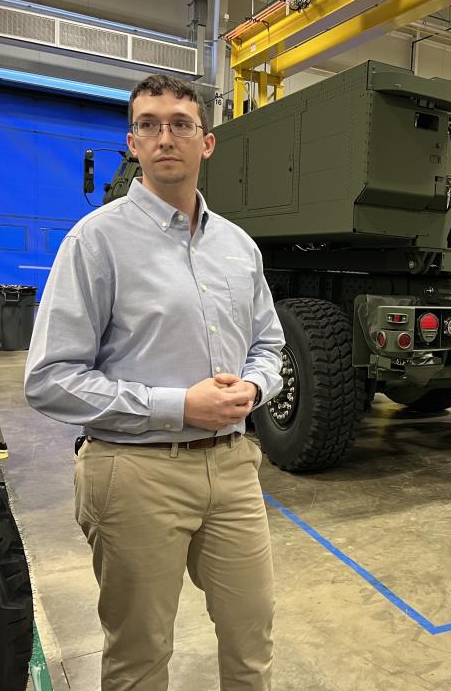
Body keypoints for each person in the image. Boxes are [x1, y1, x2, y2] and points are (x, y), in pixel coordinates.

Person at [24, 74, 285, 691]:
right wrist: (179, 405)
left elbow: (270, 344)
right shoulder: (97, 241)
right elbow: (49, 379)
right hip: (133, 470)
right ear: (133, 143)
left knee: (252, 640)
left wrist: (254, 387)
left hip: (232, 468)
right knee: (138, 657)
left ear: (207, 142)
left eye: (180, 124)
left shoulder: (239, 247)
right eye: (149, 125)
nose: (165, 136)